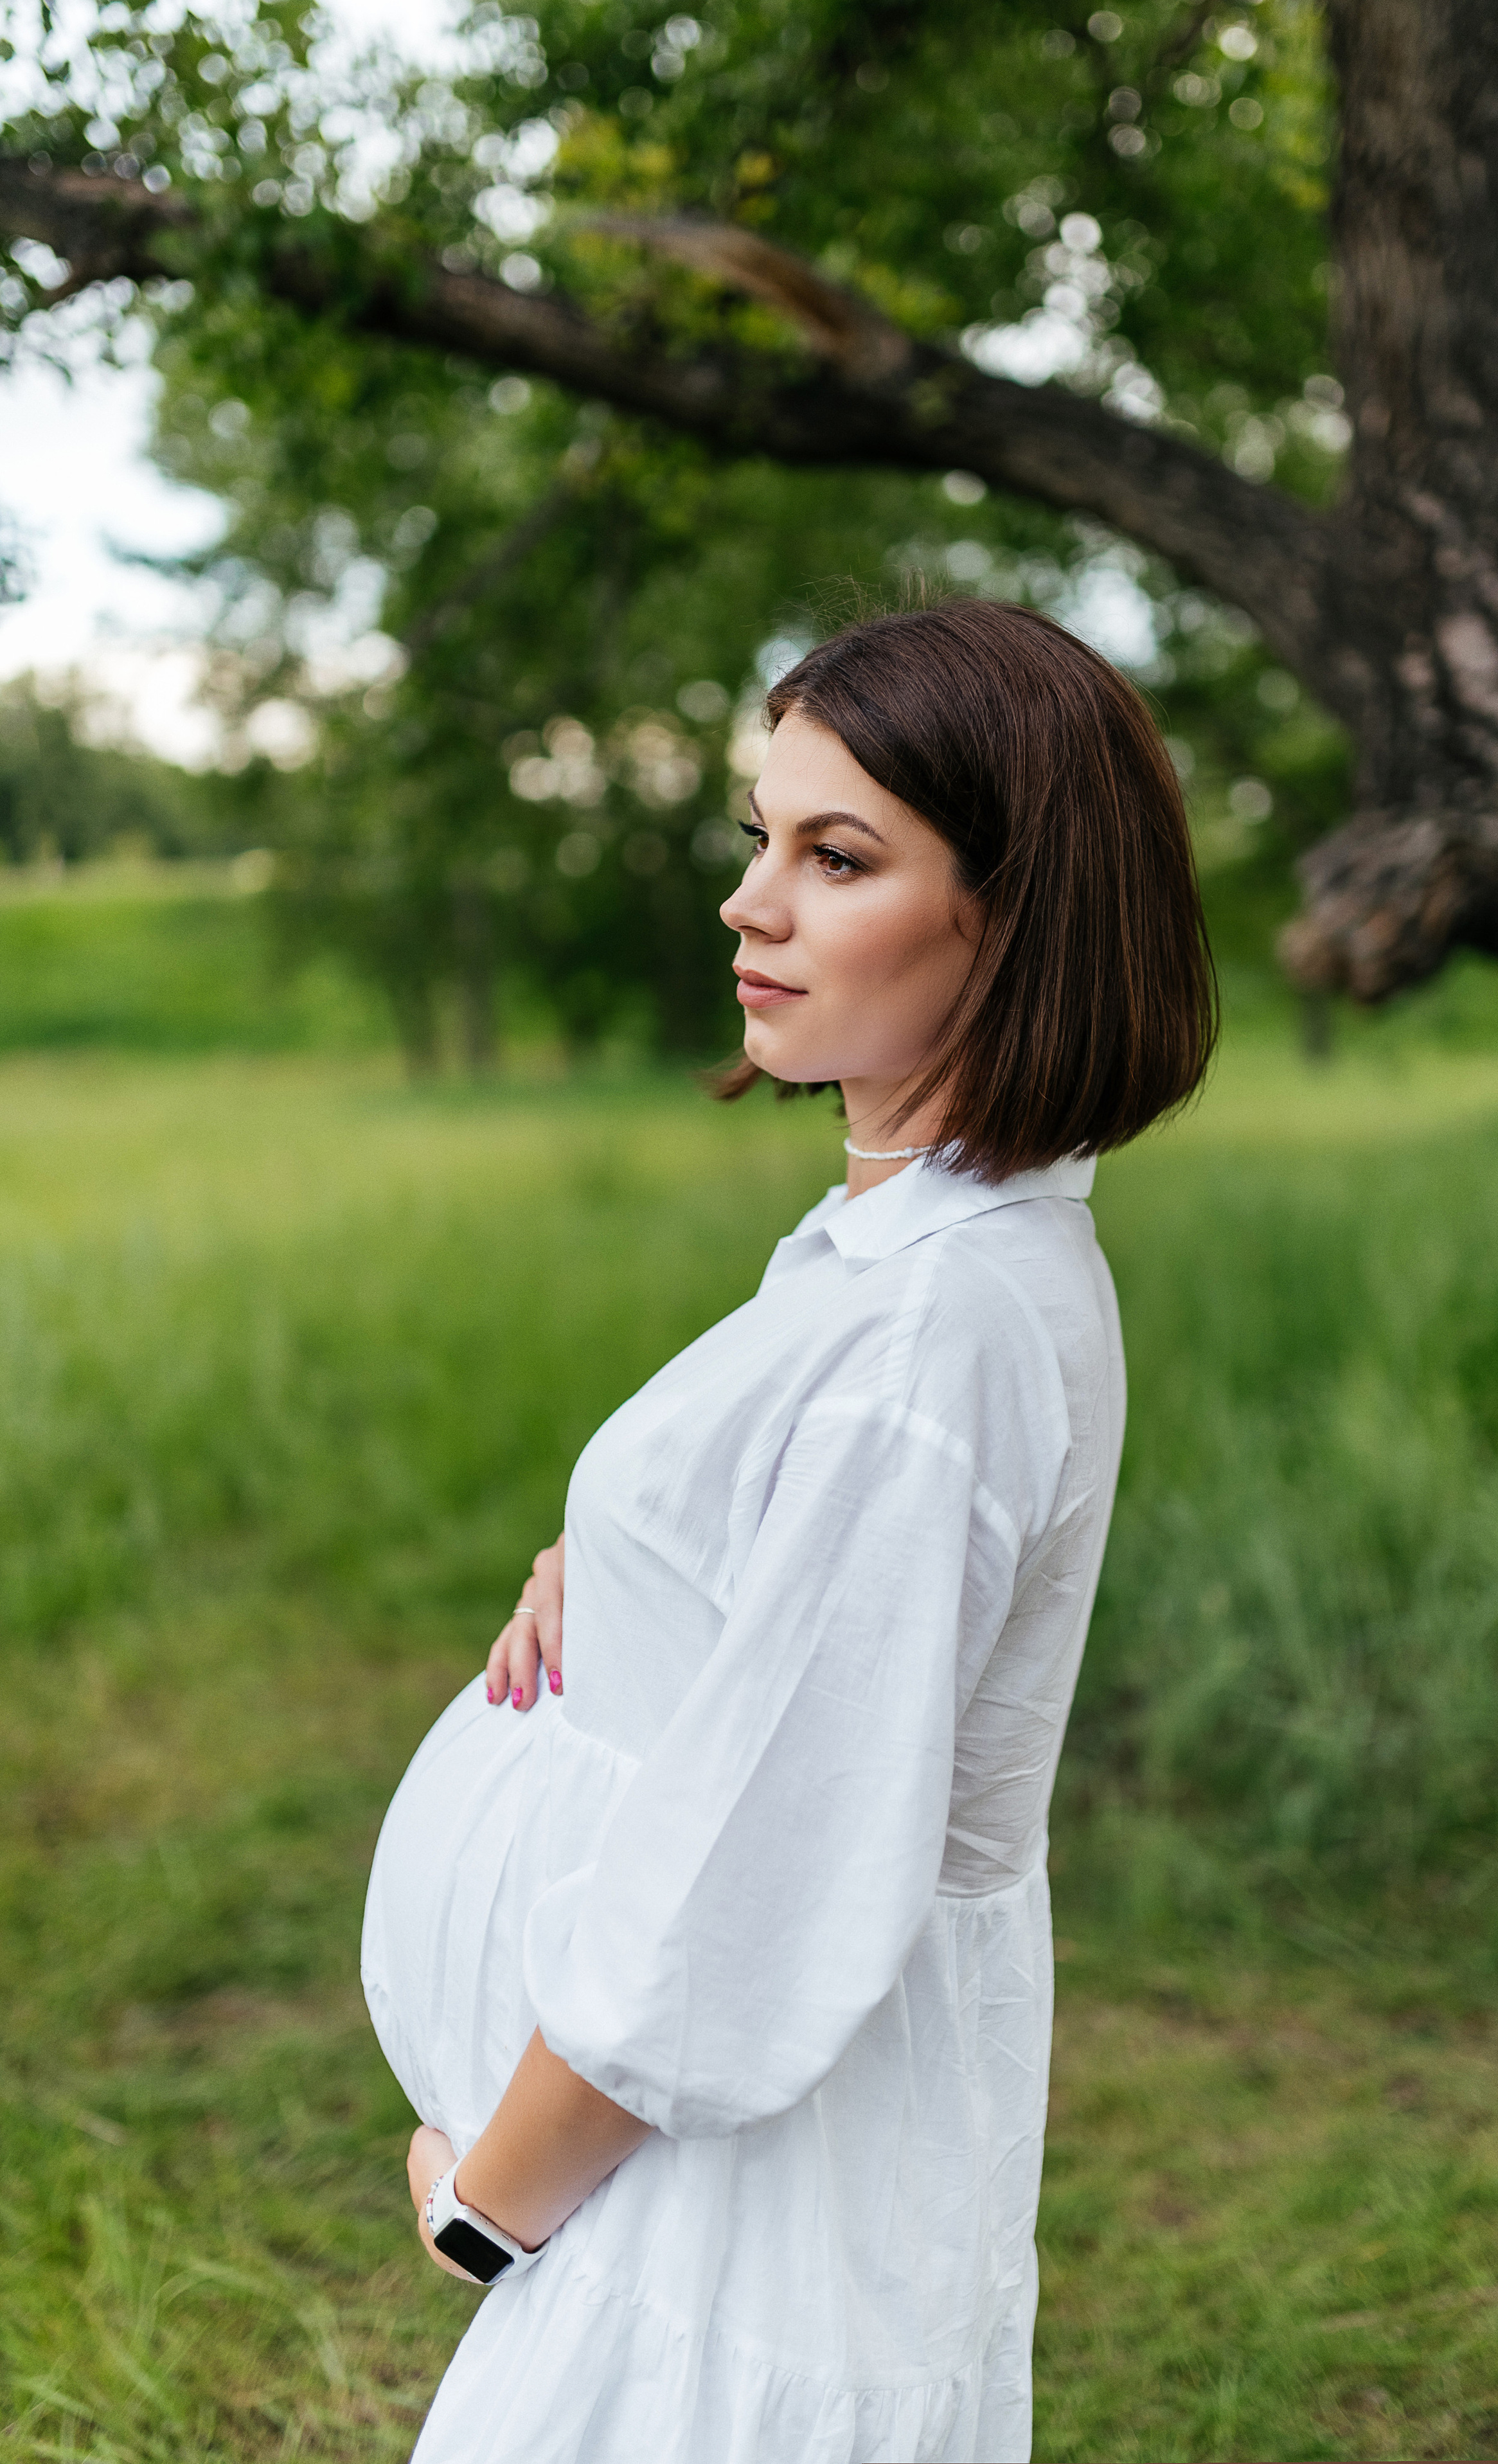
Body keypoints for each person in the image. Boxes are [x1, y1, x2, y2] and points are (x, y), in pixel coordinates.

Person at [362, 597, 1217, 2463]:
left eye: (841, 856)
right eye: (764, 839)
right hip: (686, 2179)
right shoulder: (898, 1253)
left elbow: (757, 1877)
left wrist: (486, 2195)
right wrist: (638, 1554)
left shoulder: (939, 1326)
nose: (752, 903)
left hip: (726, 2184)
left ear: (1020, 916)